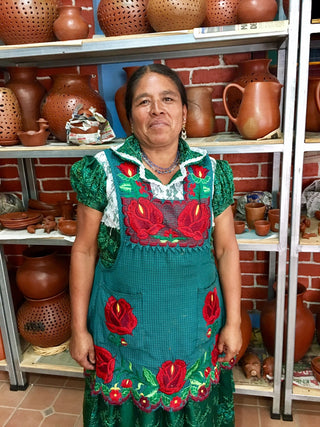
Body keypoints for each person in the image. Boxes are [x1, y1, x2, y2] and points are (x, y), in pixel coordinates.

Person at [69, 63, 242, 427]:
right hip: (125, 338)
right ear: (130, 118)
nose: (157, 109)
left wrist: (235, 323)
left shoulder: (212, 173)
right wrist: (78, 329)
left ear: (183, 113)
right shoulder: (103, 170)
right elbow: (84, 251)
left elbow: (226, 250)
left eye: (167, 99)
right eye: (143, 102)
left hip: (197, 330)